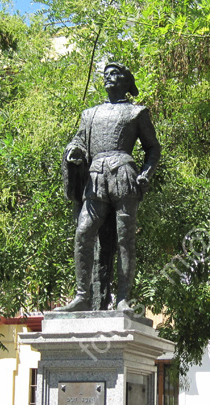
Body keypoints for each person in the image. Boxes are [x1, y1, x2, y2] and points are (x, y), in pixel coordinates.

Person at [57, 62, 161, 312]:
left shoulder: (137, 113)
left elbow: (153, 148)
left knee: (125, 239)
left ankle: (123, 298)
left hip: (124, 176)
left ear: (127, 83)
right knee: (84, 232)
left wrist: (147, 172)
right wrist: (74, 152)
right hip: (95, 179)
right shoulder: (89, 114)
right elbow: (79, 141)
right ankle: (82, 296)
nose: (109, 78)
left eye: (115, 74)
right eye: (106, 74)